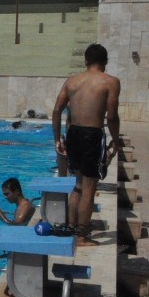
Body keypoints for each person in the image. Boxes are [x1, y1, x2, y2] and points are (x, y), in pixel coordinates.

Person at [51, 43, 121, 246]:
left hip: (73, 133)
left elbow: (57, 111)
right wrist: (115, 141)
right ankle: (81, 236)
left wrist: (57, 138)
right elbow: (112, 117)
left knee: (78, 185)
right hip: (93, 134)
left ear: (86, 61)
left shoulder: (72, 81)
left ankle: (74, 228)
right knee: (90, 187)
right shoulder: (110, 82)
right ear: (105, 62)